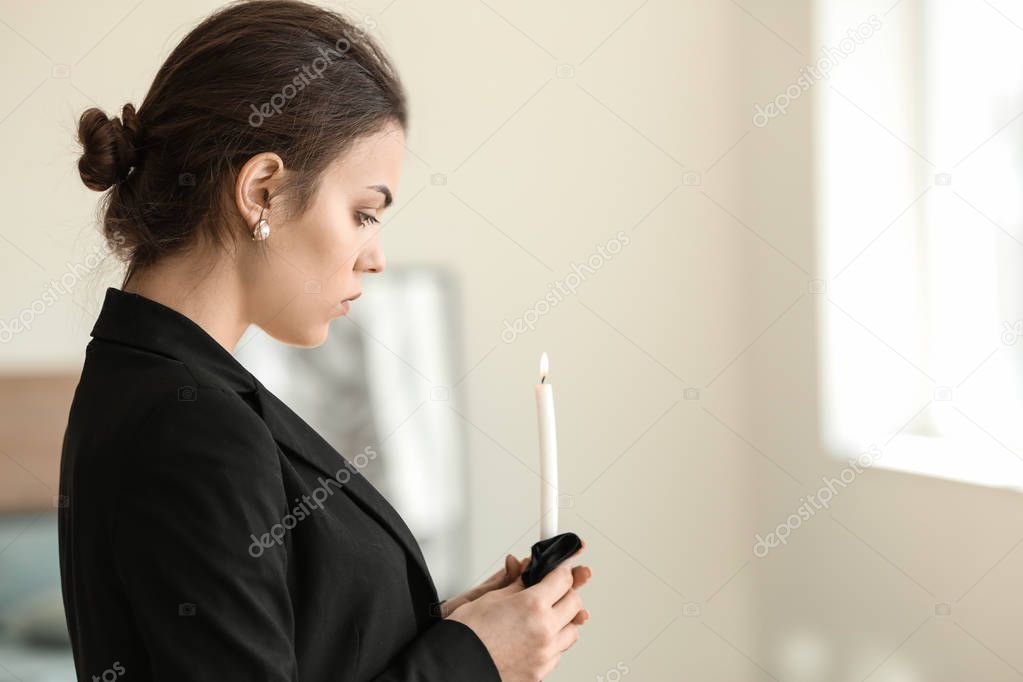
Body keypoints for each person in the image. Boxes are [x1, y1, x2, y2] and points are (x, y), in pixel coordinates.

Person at [57, 1, 592, 680]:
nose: (375, 259)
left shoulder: (159, 384)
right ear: (263, 191)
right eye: (363, 213)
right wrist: (468, 663)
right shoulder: (190, 423)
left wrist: (444, 631)